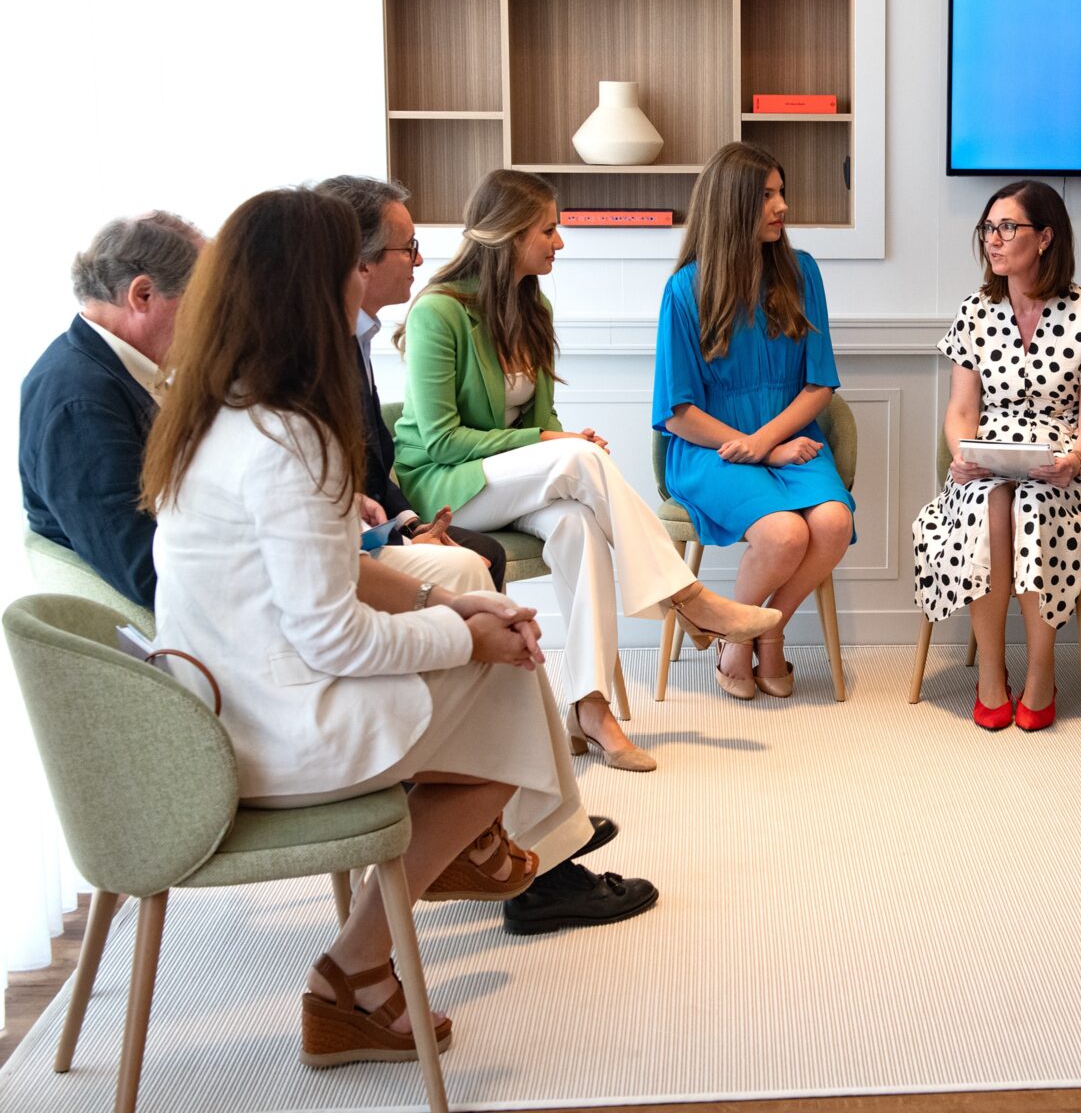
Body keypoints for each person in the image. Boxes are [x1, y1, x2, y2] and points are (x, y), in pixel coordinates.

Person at [142, 187, 637, 1063]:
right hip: (272, 731)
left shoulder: (218, 412)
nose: (368, 277)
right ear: (318, 287)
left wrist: (445, 604)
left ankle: (404, 928)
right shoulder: (293, 438)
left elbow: (330, 572)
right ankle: (365, 959)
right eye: (353, 266)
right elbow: (332, 636)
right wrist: (469, 637)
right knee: (509, 699)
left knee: (498, 665)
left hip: (221, 705)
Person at [390, 169, 780, 772]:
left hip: (511, 484)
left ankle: (590, 709)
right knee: (579, 458)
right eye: (548, 230)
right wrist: (555, 442)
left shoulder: (533, 306)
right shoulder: (438, 313)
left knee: (577, 524)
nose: (560, 242)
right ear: (509, 234)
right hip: (447, 489)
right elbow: (441, 441)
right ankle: (689, 597)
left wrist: (563, 439)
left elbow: (543, 416)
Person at [910, 180, 1081, 731]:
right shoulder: (975, 311)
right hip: (988, 456)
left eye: (1008, 227)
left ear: (1046, 237)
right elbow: (962, 410)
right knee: (987, 501)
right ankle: (990, 671)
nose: (993, 239)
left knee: (1032, 505)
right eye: (988, 228)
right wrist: (962, 455)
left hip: (1066, 464)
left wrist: (1074, 460)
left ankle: (1040, 670)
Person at [654, 143, 854, 699]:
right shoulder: (685, 290)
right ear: (732, 204)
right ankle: (736, 636)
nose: (782, 206)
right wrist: (763, 448)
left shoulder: (802, 272)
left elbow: (819, 385)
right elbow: (678, 414)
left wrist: (768, 441)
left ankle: (763, 633)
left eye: (781, 192)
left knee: (833, 523)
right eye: (767, 195)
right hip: (710, 451)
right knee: (784, 534)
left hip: (791, 440)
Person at [315, 174, 507, 592]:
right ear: (362, 262)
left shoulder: (360, 335)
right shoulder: (316, 350)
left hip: (372, 522)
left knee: (489, 551)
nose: (419, 261)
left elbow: (373, 459)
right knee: (471, 562)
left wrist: (411, 524)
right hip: (339, 543)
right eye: (408, 248)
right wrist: (401, 539)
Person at [20, 212, 203, 607]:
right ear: (143, 295)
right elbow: (144, 572)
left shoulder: (112, 368)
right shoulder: (78, 402)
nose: (211, 323)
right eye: (203, 302)